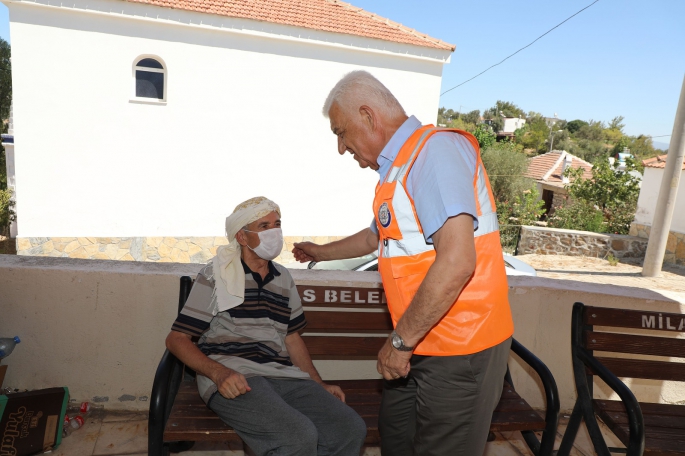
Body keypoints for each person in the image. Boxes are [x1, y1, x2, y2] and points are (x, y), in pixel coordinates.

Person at [292, 71, 514, 456]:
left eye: (341, 132)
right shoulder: (399, 168)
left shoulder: (434, 152)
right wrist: (322, 252)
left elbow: (458, 260)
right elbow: (376, 236)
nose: (342, 148)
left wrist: (399, 342)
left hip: (460, 347)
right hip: (422, 343)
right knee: (396, 438)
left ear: (368, 116)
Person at [166, 196, 367, 456]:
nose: (274, 232)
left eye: (277, 224)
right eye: (264, 226)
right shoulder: (217, 275)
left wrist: (318, 383)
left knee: (349, 428)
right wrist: (219, 374)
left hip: (283, 374)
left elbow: (291, 338)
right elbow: (177, 339)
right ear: (242, 236)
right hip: (236, 375)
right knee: (298, 436)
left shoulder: (283, 278)